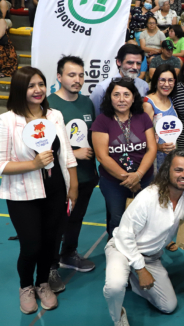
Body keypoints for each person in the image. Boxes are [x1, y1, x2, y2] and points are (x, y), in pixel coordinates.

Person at [103, 149, 184, 326]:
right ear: (167, 172)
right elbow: (125, 236)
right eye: (178, 170)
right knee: (114, 286)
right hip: (122, 249)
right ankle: (118, 315)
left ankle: (131, 277)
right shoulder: (148, 197)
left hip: (151, 257)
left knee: (168, 306)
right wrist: (141, 270)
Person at [0, 66, 78, 313]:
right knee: (31, 245)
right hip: (23, 193)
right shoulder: (7, 120)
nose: (38, 90)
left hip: (55, 190)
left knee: (50, 243)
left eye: (41, 84)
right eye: (31, 85)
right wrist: (33, 164)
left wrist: (73, 185)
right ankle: (26, 286)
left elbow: (66, 153)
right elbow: (1, 164)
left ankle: (42, 283)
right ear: (19, 89)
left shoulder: (54, 116)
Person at [47, 57, 98, 293]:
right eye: (71, 75)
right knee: (55, 224)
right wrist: (72, 154)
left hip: (86, 176)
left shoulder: (87, 103)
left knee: (76, 219)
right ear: (59, 77)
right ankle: (49, 267)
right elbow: (41, 146)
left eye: (80, 75)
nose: (77, 80)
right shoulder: (48, 105)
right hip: (60, 180)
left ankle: (68, 254)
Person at [91, 78, 157, 239]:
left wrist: (138, 175)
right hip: (114, 182)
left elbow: (152, 148)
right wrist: (128, 179)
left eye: (126, 94)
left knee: (145, 219)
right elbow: (102, 156)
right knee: (118, 220)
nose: (121, 99)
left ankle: (141, 249)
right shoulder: (102, 121)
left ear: (133, 98)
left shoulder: (143, 117)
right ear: (110, 97)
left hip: (144, 179)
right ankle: (116, 250)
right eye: (116, 95)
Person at [91, 44, 149, 117]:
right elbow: (95, 115)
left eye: (138, 63)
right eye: (130, 63)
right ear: (118, 62)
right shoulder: (102, 87)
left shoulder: (144, 86)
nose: (135, 67)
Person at [143, 63, 177, 176]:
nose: (166, 84)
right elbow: (143, 135)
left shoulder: (171, 99)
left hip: (171, 156)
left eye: (170, 80)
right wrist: (158, 147)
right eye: (162, 80)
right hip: (154, 158)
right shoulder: (148, 104)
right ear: (156, 81)